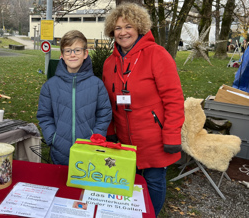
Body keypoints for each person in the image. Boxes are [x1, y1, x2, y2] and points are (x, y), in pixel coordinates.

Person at [102, 3, 184, 216]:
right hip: (123, 136)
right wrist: (110, 132)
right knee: (130, 181)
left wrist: (172, 135)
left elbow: (174, 100)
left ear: (139, 27)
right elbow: (108, 103)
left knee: (154, 180)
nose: (123, 32)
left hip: (154, 136)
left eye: (128, 26)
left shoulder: (157, 55)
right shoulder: (109, 63)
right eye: (118, 28)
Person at [37, 30, 112, 165]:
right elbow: (44, 115)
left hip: (88, 151)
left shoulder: (97, 85)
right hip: (59, 152)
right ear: (62, 56)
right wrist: (53, 138)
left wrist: (96, 138)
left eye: (77, 50)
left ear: (85, 54)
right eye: (68, 51)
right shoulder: (50, 86)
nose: (72, 55)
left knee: (84, 185)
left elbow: (104, 114)